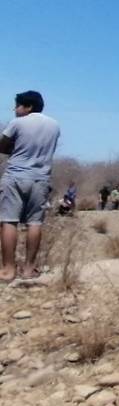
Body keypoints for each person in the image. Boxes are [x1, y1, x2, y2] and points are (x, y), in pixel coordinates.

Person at [0, 91, 61, 281]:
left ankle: (8, 269)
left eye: (17, 105)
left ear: (28, 107)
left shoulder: (17, 123)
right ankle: (29, 269)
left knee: (9, 221)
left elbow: (2, 146)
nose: (15, 109)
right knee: (35, 222)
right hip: (40, 178)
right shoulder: (54, 125)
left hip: (16, 176)